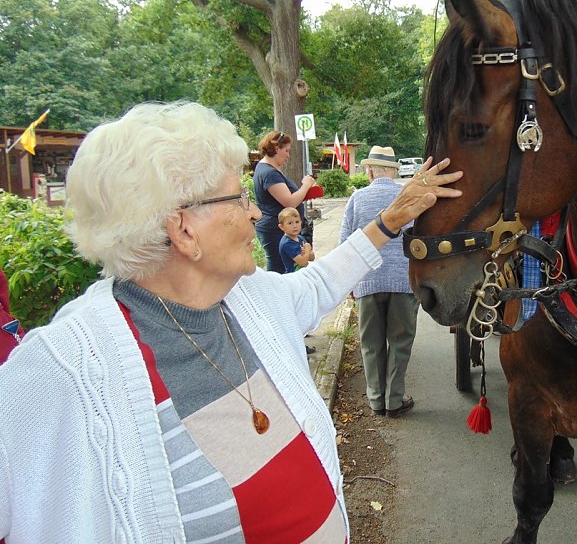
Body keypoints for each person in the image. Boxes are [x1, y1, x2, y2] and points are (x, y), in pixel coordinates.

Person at [0, 101, 462, 543]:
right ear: (183, 230)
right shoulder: (57, 373)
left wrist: (393, 217)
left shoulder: (248, 298)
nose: (256, 212)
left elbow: (321, 282)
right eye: (239, 197)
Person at [339, 146, 421, 418]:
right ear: (393, 170)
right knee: (400, 341)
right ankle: (394, 400)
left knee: (371, 343)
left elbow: (345, 242)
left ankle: (375, 400)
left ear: (371, 170)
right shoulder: (406, 197)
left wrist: (348, 280)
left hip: (367, 279)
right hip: (402, 280)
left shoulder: (357, 198)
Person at [252, 130, 316, 274]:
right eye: (286, 150)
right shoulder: (269, 173)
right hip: (275, 230)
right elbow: (289, 202)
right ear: (276, 149)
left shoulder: (268, 170)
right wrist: (306, 184)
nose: (288, 155)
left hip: (277, 228)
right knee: (280, 271)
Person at [278, 206, 315, 274]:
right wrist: (307, 250)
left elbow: (312, 258)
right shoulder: (287, 243)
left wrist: (306, 253)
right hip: (294, 276)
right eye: (290, 223)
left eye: (297, 222)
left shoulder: (300, 238)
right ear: (281, 227)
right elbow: (303, 262)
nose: (295, 226)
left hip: (304, 274)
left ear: (301, 223)